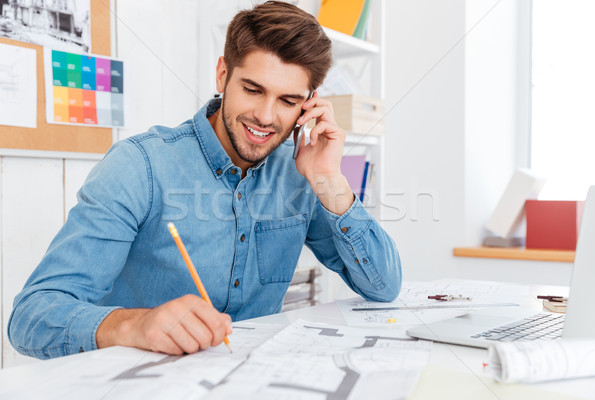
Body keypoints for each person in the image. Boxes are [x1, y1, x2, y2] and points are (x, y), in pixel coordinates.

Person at [8, 1, 401, 359]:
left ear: (308, 104)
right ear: (222, 74)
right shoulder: (140, 165)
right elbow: (31, 317)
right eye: (252, 89)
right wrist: (133, 325)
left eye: (287, 100)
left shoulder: (300, 173)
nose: (266, 116)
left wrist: (329, 178)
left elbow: (383, 286)